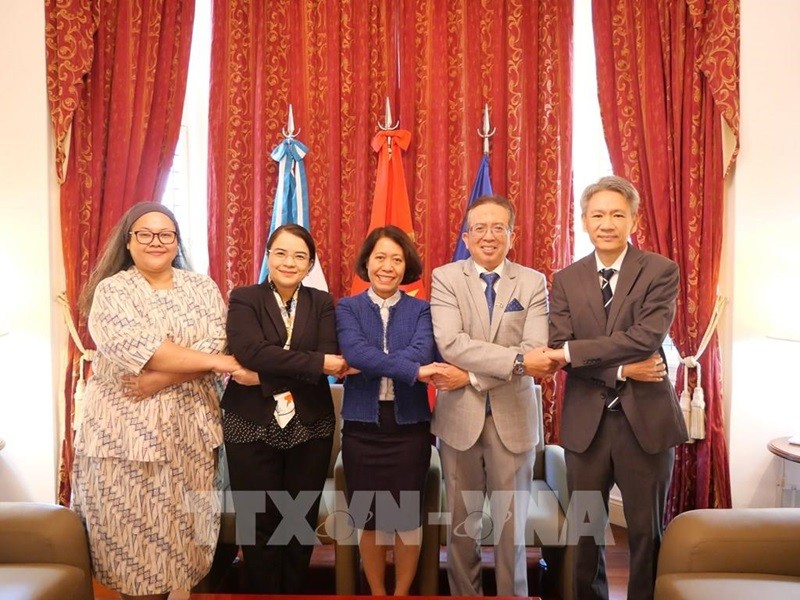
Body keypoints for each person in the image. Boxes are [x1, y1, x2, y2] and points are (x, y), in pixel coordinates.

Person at [72, 202, 240, 600]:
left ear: (177, 241)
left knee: (186, 546)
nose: (156, 242)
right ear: (127, 242)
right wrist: (214, 362)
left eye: (166, 234)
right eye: (144, 234)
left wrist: (161, 378)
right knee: (133, 552)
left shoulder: (202, 287)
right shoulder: (111, 291)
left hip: (191, 439)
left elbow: (215, 341)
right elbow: (141, 349)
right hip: (123, 440)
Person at [546, 175, 689, 600]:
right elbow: (558, 348)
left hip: (646, 424)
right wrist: (622, 372)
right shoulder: (566, 279)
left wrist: (578, 352)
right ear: (584, 222)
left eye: (616, 214)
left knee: (646, 532)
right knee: (586, 531)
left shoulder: (661, 271)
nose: (607, 223)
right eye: (598, 215)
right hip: (586, 426)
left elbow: (647, 337)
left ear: (633, 219)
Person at [429, 195, 557, 596]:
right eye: (479, 228)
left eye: (497, 227)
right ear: (466, 237)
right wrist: (515, 362)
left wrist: (469, 375)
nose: (488, 235)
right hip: (459, 422)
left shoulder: (532, 281)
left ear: (511, 235)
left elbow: (536, 351)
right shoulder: (445, 278)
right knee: (462, 528)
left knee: (511, 530)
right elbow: (451, 344)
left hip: (514, 421)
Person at [221, 223, 348, 594]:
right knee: (258, 518)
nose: (289, 262)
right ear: (267, 256)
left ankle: (292, 590)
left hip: (311, 424)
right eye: (281, 253)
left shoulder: (321, 303)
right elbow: (249, 351)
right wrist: (310, 363)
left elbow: (327, 360)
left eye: (299, 256)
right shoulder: (244, 298)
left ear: (310, 264)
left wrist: (263, 378)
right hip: (250, 423)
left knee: (298, 518)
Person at [335, 225, 440, 596]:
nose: (388, 266)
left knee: (406, 518)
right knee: (369, 518)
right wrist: (413, 371)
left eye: (396, 259)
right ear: (367, 261)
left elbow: (422, 351)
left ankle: (401, 594)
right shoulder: (347, 307)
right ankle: (378, 593)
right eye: (380, 257)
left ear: (406, 265)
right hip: (363, 427)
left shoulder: (422, 310)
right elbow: (355, 352)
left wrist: (380, 362)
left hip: (409, 427)